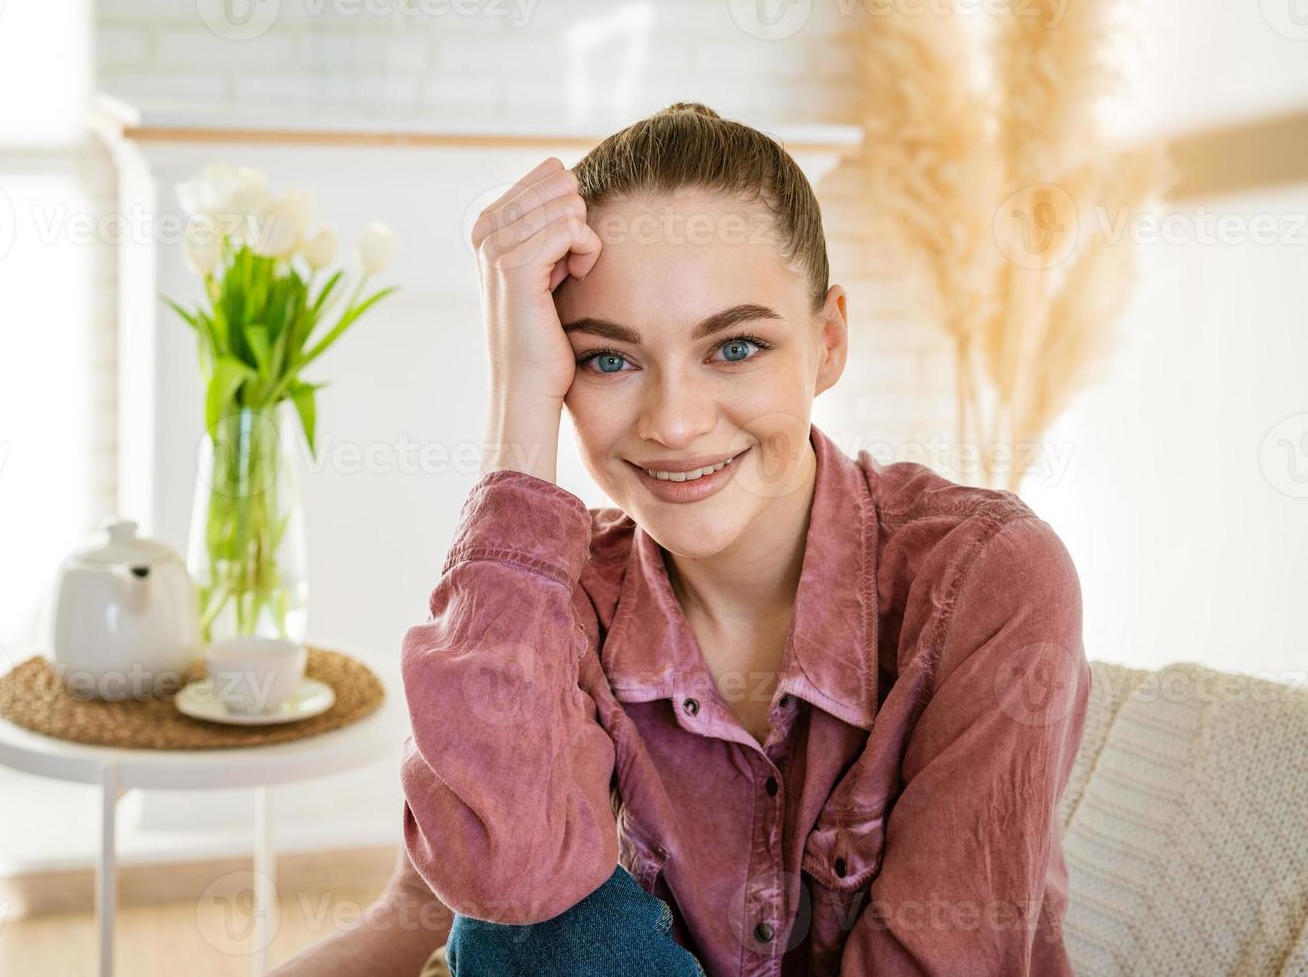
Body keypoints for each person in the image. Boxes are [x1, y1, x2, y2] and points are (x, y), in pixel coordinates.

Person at [294, 102, 1091, 977]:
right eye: (609, 359)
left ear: (828, 344)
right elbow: (467, 895)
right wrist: (518, 403)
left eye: (737, 346)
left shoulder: (984, 580)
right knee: (517, 910)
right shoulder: (552, 603)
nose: (675, 424)